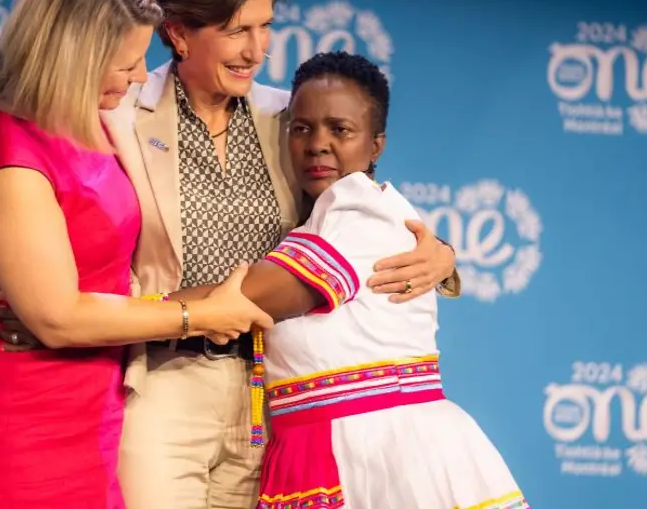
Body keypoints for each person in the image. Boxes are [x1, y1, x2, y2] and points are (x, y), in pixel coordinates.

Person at [0, 0, 462, 509]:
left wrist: (441, 254)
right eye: (238, 30)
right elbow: (37, 198)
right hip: (161, 383)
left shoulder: (289, 118)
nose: (256, 49)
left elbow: (360, 200)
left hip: (271, 393)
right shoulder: (114, 113)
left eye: (265, 28)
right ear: (178, 32)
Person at [0, 0, 273, 509]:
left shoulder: (81, 116)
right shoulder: (11, 150)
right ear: (71, 58)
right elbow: (57, 316)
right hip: (18, 427)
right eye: (125, 63)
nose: (138, 77)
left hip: (94, 413)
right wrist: (197, 314)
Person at [200, 51, 524, 509]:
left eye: (341, 130)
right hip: (329, 446)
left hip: (381, 457)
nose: (317, 144)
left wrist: (125, 309)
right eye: (301, 128)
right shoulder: (332, 216)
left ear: (376, 146)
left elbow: (251, 295)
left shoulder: (359, 212)